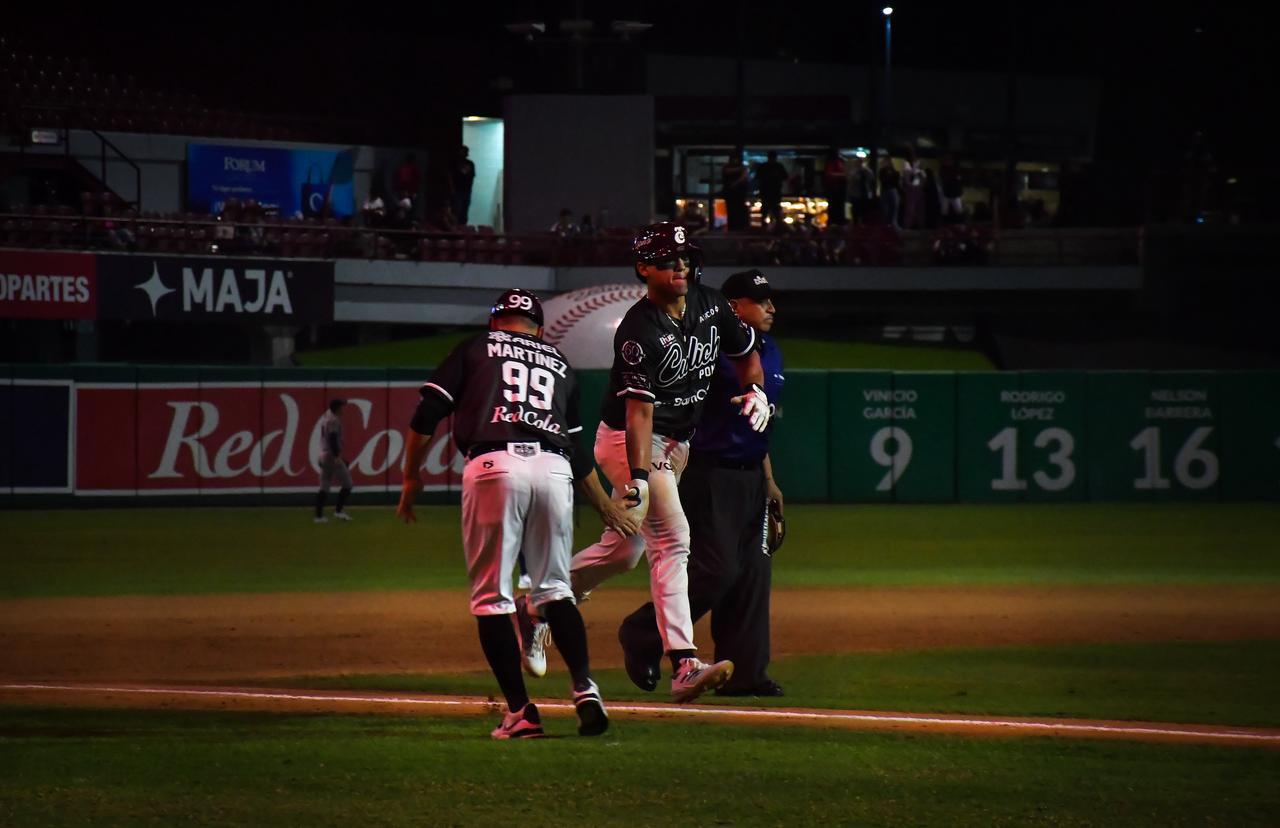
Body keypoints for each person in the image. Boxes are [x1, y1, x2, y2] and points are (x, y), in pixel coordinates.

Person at [518, 221, 772, 703]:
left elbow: (748, 353)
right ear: (643, 269)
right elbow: (640, 413)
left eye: (683, 257)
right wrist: (638, 476)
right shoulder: (638, 330)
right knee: (674, 540)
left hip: (678, 444)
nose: (678, 265)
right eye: (665, 259)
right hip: (630, 441)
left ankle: (540, 603)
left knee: (624, 551)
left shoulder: (713, 305)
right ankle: (684, 664)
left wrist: (754, 389)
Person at [396, 288, 641, 739]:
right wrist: (604, 505)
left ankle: (520, 712)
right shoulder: (558, 361)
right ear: (539, 329)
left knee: (492, 597)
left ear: (496, 323)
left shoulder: (475, 347)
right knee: (554, 588)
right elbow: (576, 451)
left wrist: (411, 477)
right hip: (554, 469)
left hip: (494, 465)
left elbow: (428, 413)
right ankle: (586, 690)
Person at [617, 269, 786, 697]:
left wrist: (769, 481)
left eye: (770, 299)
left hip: (750, 474)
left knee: (752, 574)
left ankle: (747, 674)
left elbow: (756, 423)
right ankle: (644, 634)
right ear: (732, 306)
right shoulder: (705, 349)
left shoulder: (769, 352)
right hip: (709, 470)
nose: (770, 307)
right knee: (718, 569)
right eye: (758, 300)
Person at [315, 399, 353, 523]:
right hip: (331, 455)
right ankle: (338, 511)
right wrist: (337, 456)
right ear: (337, 408)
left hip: (323, 454)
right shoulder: (334, 420)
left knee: (324, 485)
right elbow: (332, 438)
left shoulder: (327, 418)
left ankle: (319, 516)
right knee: (347, 484)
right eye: (342, 407)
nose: (343, 409)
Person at [754, 150, 788, 231]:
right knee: (775, 212)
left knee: (765, 212)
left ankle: (764, 229)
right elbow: (785, 177)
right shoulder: (779, 166)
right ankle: (776, 229)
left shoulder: (763, 166)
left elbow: (757, 178)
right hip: (774, 193)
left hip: (766, 193)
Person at [721, 150, 750, 232]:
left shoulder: (741, 167)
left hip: (739, 194)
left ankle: (738, 228)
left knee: (738, 212)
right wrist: (741, 170)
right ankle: (732, 228)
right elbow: (727, 171)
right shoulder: (728, 167)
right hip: (730, 194)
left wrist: (736, 182)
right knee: (731, 212)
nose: (735, 160)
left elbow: (744, 176)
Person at [450, 146, 476, 226]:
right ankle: (456, 228)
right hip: (458, 190)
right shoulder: (454, 163)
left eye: (466, 152)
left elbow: (472, 176)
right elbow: (450, 176)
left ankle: (462, 227)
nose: (465, 153)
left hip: (466, 191)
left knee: (464, 211)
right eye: (464, 151)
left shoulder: (470, 164)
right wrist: (452, 189)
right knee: (457, 210)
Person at [822, 150, 847, 226]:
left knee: (837, 205)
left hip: (836, 188)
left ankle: (836, 221)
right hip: (835, 188)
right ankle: (836, 222)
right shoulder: (834, 163)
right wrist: (842, 175)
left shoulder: (837, 162)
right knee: (836, 205)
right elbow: (830, 174)